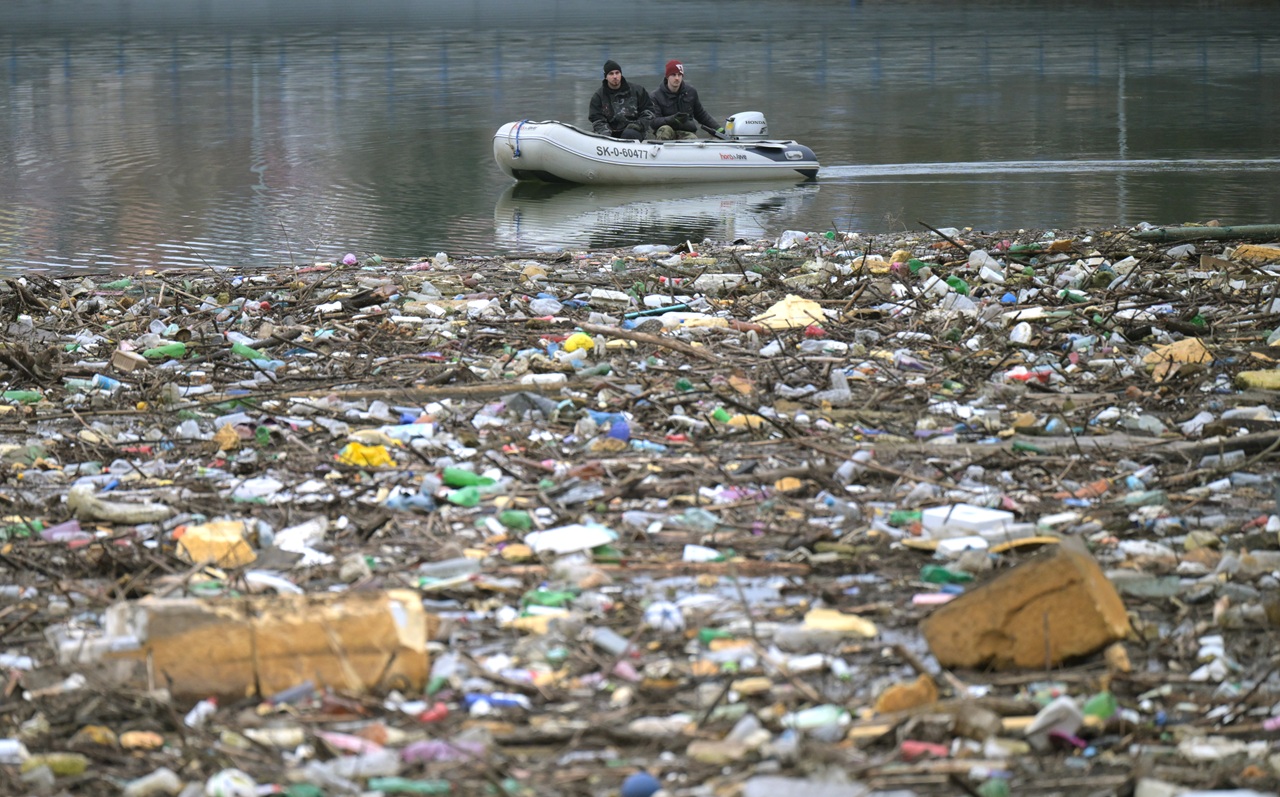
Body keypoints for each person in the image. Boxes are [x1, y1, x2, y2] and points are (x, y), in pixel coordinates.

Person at [650, 60, 719, 141]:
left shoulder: (691, 92)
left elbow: (701, 115)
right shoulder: (655, 96)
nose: (677, 78)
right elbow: (653, 122)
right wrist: (671, 119)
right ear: (667, 76)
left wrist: (718, 129)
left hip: (686, 132)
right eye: (673, 75)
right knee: (665, 130)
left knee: (692, 138)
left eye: (679, 75)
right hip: (667, 131)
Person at [589, 60, 655, 141]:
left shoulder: (638, 91)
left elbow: (649, 111)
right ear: (606, 77)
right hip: (609, 134)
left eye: (617, 73)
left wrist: (638, 125)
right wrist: (606, 133)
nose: (615, 76)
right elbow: (596, 119)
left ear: (621, 74)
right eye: (611, 74)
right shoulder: (598, 96)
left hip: (634, 131)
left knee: (629, 134)